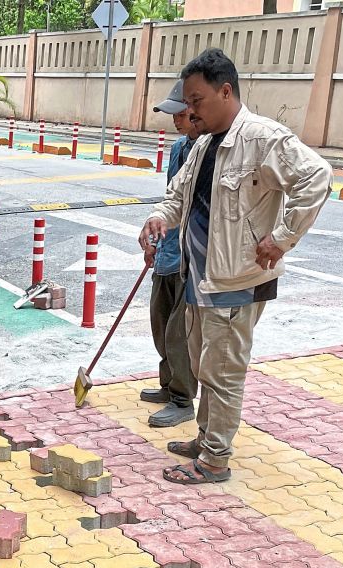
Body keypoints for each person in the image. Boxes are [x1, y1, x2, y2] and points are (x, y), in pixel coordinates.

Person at [138, 49, 332, 484]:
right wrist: (160, 218)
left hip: (237, 280)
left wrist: (281, 238)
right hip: (200, 276)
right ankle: (208, 437)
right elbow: (179, 195)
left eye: (196, 101)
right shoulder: (204, 143)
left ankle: (214, 460)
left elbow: (317, 177)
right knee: (205, 365)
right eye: (186, 103)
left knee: (224, 372)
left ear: (226, 91)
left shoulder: (265, 138)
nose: (189, 111)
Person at [141, 80, 201, 429]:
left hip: (189, 258)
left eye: (180, 113)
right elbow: (170, 199)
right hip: (167, 250)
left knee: (180, 331)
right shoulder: (179, 148)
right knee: (160, 323)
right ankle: (168, 384)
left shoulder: (209, 150)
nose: (175, 120)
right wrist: (155, 235)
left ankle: (183, 398)